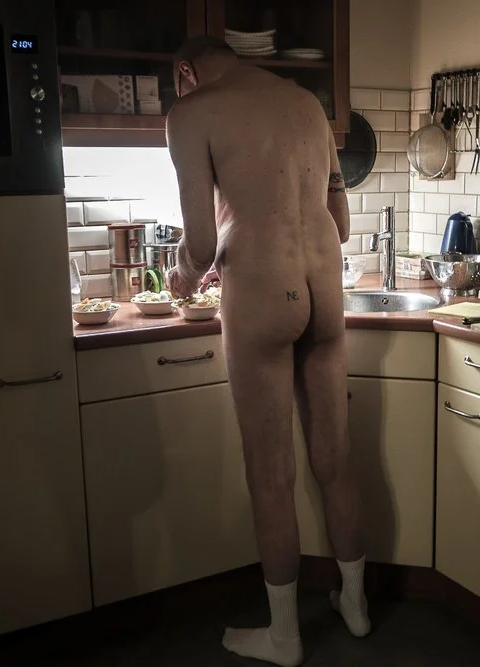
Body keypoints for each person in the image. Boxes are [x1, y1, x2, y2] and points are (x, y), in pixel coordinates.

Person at [165, 36, 369, 667]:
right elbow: (341, 217)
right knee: (334, 460)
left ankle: (285, 636)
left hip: (260, 297)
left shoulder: (192, 112)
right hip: (325, 290)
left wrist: (178, 273)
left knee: (271, 474)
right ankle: (356, 607)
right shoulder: (308, 104)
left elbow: (200, 245)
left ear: (185, 72)